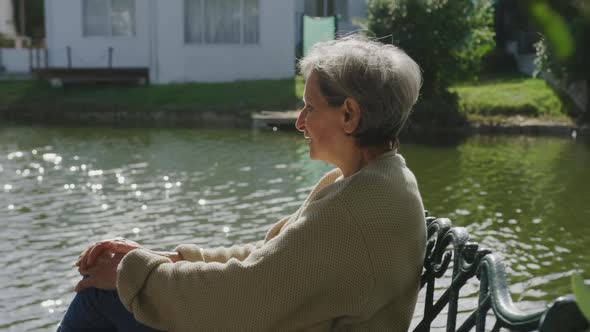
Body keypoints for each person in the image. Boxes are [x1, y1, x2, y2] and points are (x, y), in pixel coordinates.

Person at [59, 35, 426, 332]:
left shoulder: (352, 210)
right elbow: (272, 261)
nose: (299, 122)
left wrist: (131, 274)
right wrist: (170, 260)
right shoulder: (376, 181)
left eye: (310, 107)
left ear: (349, 114)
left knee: (100, 298)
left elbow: (242, 298)